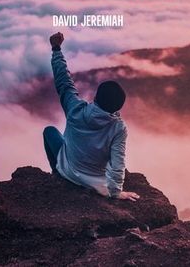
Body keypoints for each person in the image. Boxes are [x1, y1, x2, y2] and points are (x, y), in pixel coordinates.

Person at [43, 32, 140, 201]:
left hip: (68, 171)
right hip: (96, 184)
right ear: (118, 107)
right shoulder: (118, 128)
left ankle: (57, 172)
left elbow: (64, 82)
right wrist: (116, 193)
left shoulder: (75, 109)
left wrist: (56, 49)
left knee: (50, 131)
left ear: (96, 97)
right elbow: (118, 164)